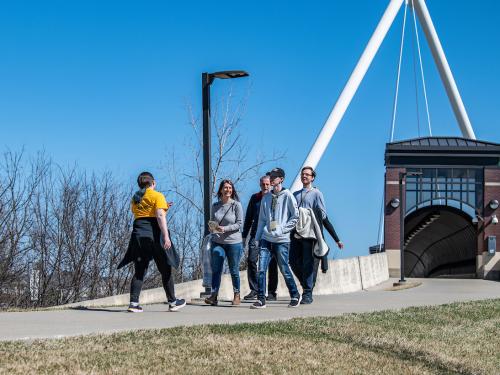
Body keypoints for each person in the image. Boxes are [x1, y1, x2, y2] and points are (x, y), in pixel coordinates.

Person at [118, 171, 186, 313]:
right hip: (153, 236)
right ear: (153, 182)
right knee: (165, 268)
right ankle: (173, 301)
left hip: (138, 236)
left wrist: (164, 206)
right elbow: (159, 216)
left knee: (140, 270)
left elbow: (143, 213)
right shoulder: (157, 195)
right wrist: (166, 236)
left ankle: (134, 304)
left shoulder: (135, 197)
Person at [290, 166, 343, 305]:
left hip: (310, 233)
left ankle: (307, 293)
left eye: (307, 174)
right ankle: (306, 284)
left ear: (312, 177)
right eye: (303, 174)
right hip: (296, 232)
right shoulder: (295, 194)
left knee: (308, 262)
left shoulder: (317, 193)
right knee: (292, 261)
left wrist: (308, 212)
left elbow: (323, 215)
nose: (304, 176)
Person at [251, 168, 300, 309]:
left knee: (284, 268)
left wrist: (282, 230)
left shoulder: (288, 195)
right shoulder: (266, 198)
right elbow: (261, 219)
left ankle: (295, 295)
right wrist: (257, 237)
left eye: (274, 176)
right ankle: (261, 299)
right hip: (266, 239)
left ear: (281, 179)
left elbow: (295, 216)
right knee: (261, 269)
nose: (271, 178)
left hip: (282, 240)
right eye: (270, 176)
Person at [204, 179, 244, 306]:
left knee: (234, 270)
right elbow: (212, 222)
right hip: (218, 242)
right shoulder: (215, 206)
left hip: (234, 243)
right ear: (221, 190)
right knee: (216, 269)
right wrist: (213, 227)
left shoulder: (236, 205)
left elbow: (239, 224)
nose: (228, 190)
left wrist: (225, 229)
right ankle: (214, 295)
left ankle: (237, 294)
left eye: (230, 188)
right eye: (225, 188)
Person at [242, 175, 279, 301]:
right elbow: (248, 218)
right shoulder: (255, 198)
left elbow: (277, 217)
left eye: (268, 184)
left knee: (271, 264)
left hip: (270, 235)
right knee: (252, 260)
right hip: (255, 235)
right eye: (263, 184)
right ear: (260, 184)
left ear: (271, 185)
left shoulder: (274, 198)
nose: (265, 186)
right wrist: (244, 235)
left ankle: (272, 292)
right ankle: (255, 289)